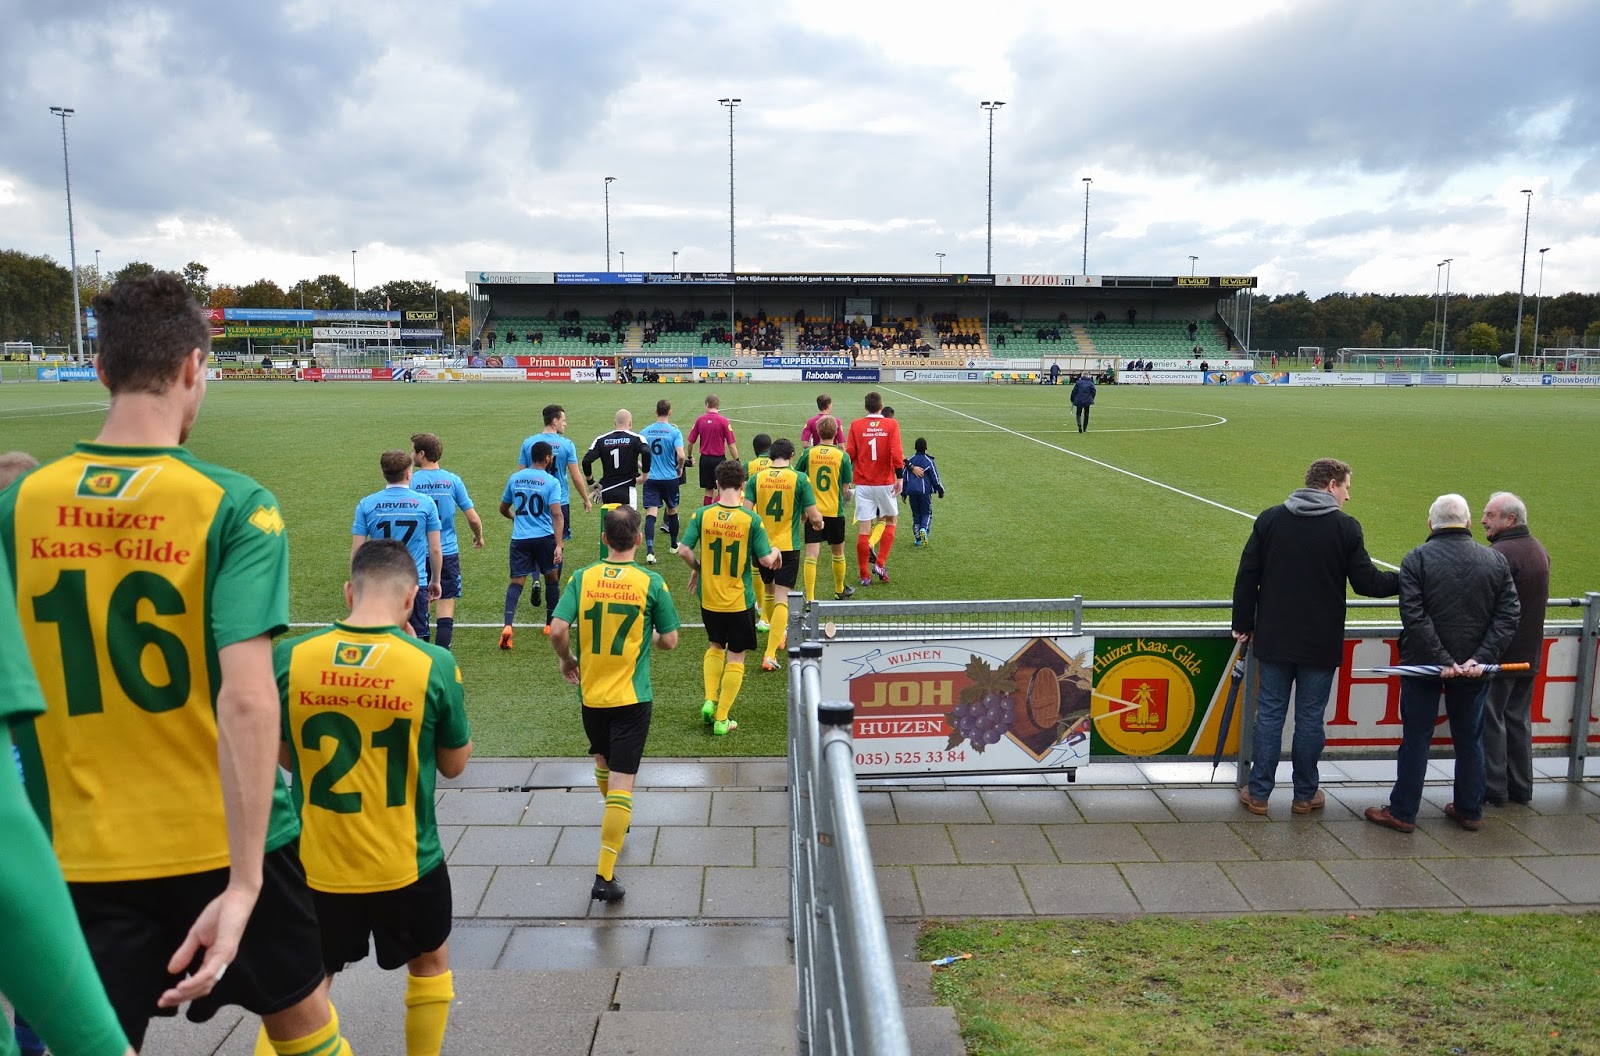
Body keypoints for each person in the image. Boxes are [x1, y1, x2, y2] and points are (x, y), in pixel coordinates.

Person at [0, 272, 351, 1054]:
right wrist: (247, 882)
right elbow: (250, 699)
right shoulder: (236, 504)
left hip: (79, 855)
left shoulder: (17, 509)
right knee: (304, 1024)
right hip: (227, 843)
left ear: (100, 368)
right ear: (196, 367)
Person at [269, 540, 472, 1056]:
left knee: (300, 994)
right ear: (411, 602)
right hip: (406, 860)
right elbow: (453, 765)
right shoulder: (433, 663)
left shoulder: (289, 657)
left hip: (313, 863)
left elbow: (286, 757)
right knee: (429, 961)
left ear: (348, 590)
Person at [1231, 458, 1399, 816]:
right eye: (1347, 488)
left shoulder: (1271, 518)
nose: (1348, 497)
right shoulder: (1345, 527)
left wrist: (1243, 622)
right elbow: (1368, 583)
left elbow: (1247, 575)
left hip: (1275, 637)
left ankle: (1259, 793)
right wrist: (1410, 577)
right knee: (1309, 719)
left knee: (1271, 715)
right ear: (1330, 485)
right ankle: (1305, 794)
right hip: (1320, 641)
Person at [1366, 494, 1520, 833]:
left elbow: (1413, 616)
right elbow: (1508, 614)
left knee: (1416, 738)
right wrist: (1478, 658)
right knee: (1469, 739)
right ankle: (1469, 809)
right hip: (1472, 670)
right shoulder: (1494, 560)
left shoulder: (1417, 558)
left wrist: (1442, 659)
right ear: (1466, 523)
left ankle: (1403, 812)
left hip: (1424, 665)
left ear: (1430, 523)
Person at [549, 506, 681, 903]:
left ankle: (615, 819)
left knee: (603, 763)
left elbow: (556, 629)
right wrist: (654, 640)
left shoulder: (582, 577)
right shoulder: (651, 582)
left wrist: (567, 658)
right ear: (639, 540)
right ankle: (604, 876)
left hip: (591, 696)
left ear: (604, 539)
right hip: (631, 698)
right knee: (624, 780)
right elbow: (670, 640)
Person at [677, 460, 780, 736]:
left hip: (708, 598)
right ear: (743, 486)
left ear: (718, 484)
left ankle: (710, 698)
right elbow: (766, 560)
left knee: (715, 646)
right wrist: (777, 552)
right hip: (738, 600)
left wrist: (699, 570)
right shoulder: (751, 520)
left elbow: (684, 550)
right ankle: (722, 718)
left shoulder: (702, 514)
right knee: (736, 657)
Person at [1479, 492, 1550, 807]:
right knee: (1518, 720)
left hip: (1501, 657)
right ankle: (1521, 788)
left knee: (1492, 720)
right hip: (1529, 654)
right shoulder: (1537, 549)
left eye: (1490, 514)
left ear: (1510, 519)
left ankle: (1494, 788)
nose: (1483, 520)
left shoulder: (1501, 553)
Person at [744, 439, 822, 672]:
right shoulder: (799, 478)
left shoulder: (756, 479)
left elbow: (746, 513)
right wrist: (818, 524)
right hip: (787, 547)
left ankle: (775, 633)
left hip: (761, 546)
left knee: (769, 591)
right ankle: (769, 654)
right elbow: (814, 515)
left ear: (770, 457)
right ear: (791, 455)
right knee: (782, 597)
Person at [352, 451, 444, 641]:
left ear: (383, 474)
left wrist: (356, 583)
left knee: (382, 639)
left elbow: (357, 550)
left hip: (379, 582)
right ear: (409, 474)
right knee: (419, 641)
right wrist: (435, 580)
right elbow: (435, 548)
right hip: (414, 581)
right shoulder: (425, 504)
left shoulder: (366, 504)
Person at [410, 433, 485, 651]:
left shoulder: (411, 481)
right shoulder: (453, 480)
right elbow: (472, 518)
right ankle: (442, 657)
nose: (411, 454)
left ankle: (419, 655)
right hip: (446, 552)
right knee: (445, 604)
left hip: (415, 553)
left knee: (419, 604)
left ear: (422, 454)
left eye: (413, 450)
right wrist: (478, 536)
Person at [498, 441, 565, 649]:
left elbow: (503, 508)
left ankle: (508, 625)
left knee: (516, 582)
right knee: (551, 578)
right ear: (547, 458)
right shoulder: (551, 482)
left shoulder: (515, 478)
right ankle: (549, 625)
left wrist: (516, 519)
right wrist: (559, 544)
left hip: (520, 538)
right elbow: (556, 513)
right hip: (544, 537)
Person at [519, 406, 592, 598]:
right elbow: (576, 476)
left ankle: (535, 579)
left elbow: (520, 474)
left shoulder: (528, 443)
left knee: (535, 537)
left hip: (532, 500)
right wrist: (586, 499)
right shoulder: (567, 444)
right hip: (559, 501)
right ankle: (554, 585)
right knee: (558, 544)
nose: (565, 423)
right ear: (554, 421)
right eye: (563, 420)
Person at [793, 417, 855, 604]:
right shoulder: (842, 456)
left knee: (812, 555)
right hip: (834, 511)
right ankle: (839, 590)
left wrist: (804, 508)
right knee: (838, 552)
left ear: (817, 433)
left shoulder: (808, 454)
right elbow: (846, 487)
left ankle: (810, 599)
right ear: (836, 433)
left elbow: (798, 478)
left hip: (814, 512)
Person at [845, 391, 904, 586]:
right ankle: (880, 563)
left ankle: (864, 575)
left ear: (865, 407)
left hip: (863, 483)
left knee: (864, 528)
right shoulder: (891, 424)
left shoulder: (856, 424)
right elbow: (896, 451)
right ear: (881, 406)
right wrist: (900, 477)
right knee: (890, 520)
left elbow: (850, 453)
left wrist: (846, 478)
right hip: (885, 482)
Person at [639, 399, 686, 566]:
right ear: (670, 412)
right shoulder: (674, 432)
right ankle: (674, 545)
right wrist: (679, 468)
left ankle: (650, 552)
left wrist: (643, 467)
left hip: (651, 479)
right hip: (669, 478)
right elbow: (681, 455)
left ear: (655, 411)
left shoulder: (645, 431)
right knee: (672, 510)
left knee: (651, 513)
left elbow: (634, 455)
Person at [581, 409, 651, 509]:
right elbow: (646, 452)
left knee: (610, 523)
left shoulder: (601, 439)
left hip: (607, 491)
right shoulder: (636, 438)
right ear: (630, 423)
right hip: (627, 490)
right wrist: (645, 475)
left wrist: (590, 482)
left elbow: (586, 461)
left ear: (615, 423)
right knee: (630, 523)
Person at [685, 393, 737, 506]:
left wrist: (690, 456)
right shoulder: (723, 421)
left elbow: (690, 443)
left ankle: (707, 514)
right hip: (719, 460)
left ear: (706, 405)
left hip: (705, 460)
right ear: (718, 405)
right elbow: (731, 445)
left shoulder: (700, 420)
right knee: (721, 488)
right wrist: (736, 460)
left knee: (708, 490)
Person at [903, 437, 945, 546]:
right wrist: (940, 490)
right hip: (924, 492)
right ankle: (924, 529)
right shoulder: (929, 461)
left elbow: (905, 477)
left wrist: (904, 493)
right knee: (926, 513)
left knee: (916, 514)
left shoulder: (910, 461)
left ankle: (918, 539)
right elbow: (935, 478)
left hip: (912, 492)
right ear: (926, 448)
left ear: (915, 448)